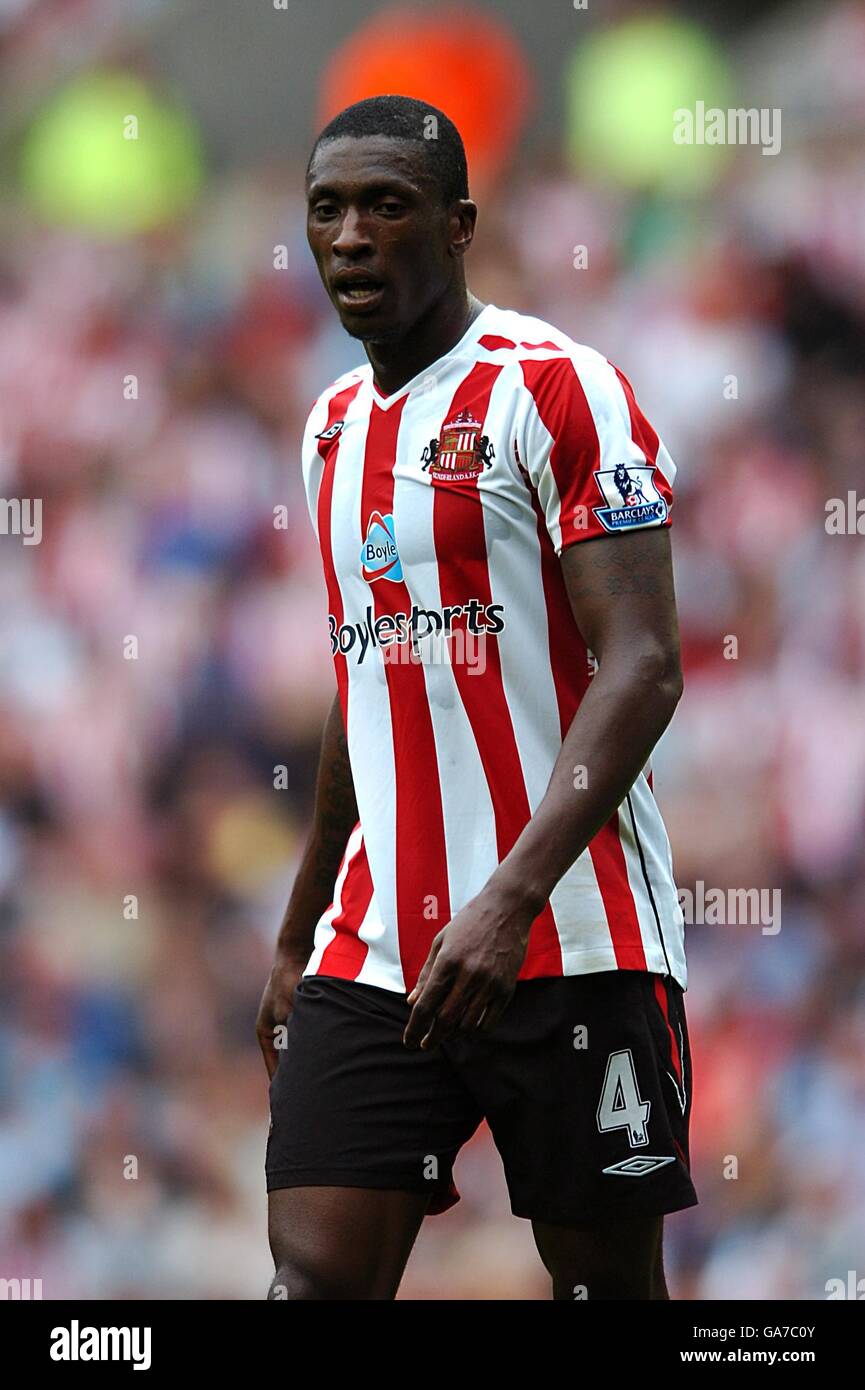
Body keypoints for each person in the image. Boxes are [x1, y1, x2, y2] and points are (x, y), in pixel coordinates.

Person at [256, 94, 697, 1301]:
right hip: (382, 945)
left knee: (603, 1288)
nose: (350, 236)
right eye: (327, 211)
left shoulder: (557, 389)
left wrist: (507, 899)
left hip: (571, 934)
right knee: (312, 1281)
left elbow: (645, 663)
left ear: (456, 225)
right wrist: (301, 933)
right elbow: (369, 676)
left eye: (385, 206)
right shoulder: (331, 427)